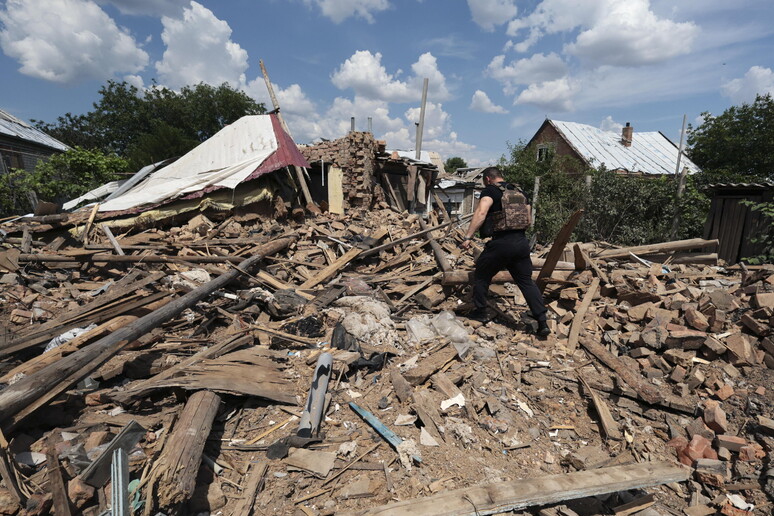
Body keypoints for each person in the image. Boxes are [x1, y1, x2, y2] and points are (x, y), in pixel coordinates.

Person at [460, 167, 550, 336]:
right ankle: (542, 321)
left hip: (501, 243)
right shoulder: (520, 191)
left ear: (487, 179)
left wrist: (468, 237)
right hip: (521, 242)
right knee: (525, 281)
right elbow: (528, 219)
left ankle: (480, 311)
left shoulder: (490, 191)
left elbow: (481, 212)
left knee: (481, 272)